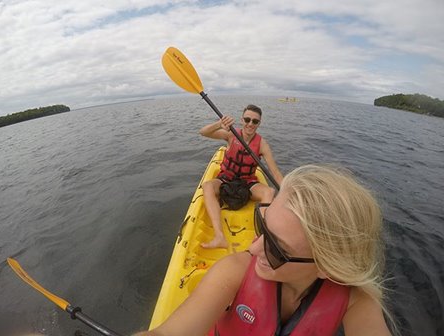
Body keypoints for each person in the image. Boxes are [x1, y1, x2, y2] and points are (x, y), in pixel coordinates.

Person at [135, 165, 394, 336]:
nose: (253, 247)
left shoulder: (356, 302)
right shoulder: (234, 270)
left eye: (277, 249)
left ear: (327, 267)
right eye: (262, 225)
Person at [198, 104, 283, 249]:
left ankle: (260, 236)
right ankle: (219, 237)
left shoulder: (262, 144)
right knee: (207, 186)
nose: (250, 124)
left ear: (259, 124)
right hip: (226, 179)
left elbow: (274, 172)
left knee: (269, 192)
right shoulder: (231, 134)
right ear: (242, 120)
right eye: (247, 119)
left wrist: (289, 192)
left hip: (247, 183)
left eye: (255, 121)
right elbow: (203, 132)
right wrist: (220, 124)